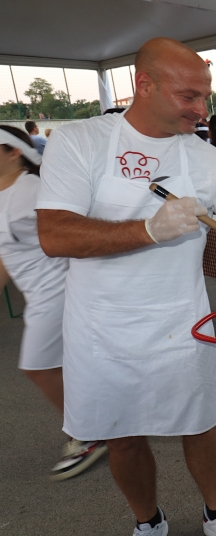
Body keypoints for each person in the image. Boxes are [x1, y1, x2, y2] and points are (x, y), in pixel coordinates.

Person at [36, 37, 216, 536]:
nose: (201, 110)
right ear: (143, 84)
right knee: (123, 436)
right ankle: (148, 522)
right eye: (188, 96)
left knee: (200, 424)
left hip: (181, 319)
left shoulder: (206, 159)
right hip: (100, 327)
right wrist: (146, 229)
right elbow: (54, 234)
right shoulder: (80, 142)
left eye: (205, 97)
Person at [0, 125, 109, 481]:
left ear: (14, 152)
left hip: (59, 289)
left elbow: (77, 226)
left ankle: (90, 434)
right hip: (39, 294)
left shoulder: (31, 189)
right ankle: (106, 418)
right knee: (75, 361)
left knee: (38, 366)